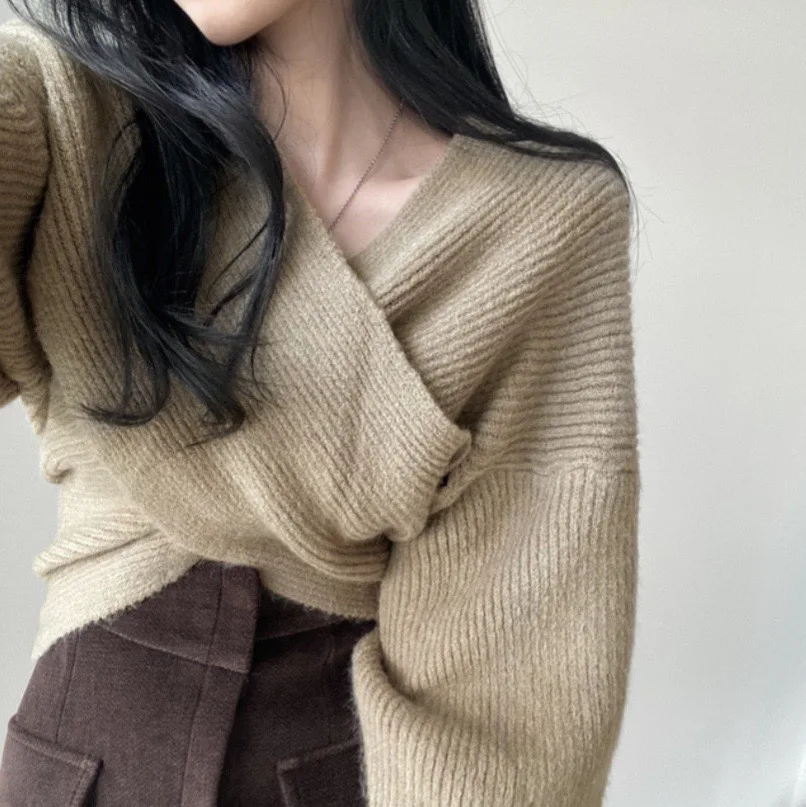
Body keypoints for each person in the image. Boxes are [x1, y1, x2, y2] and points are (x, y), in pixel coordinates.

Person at [0, 0, 642, 805]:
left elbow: (505, 702)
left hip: (338, 768)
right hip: (77, 760)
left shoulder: (538, 222)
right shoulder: (67, 102)